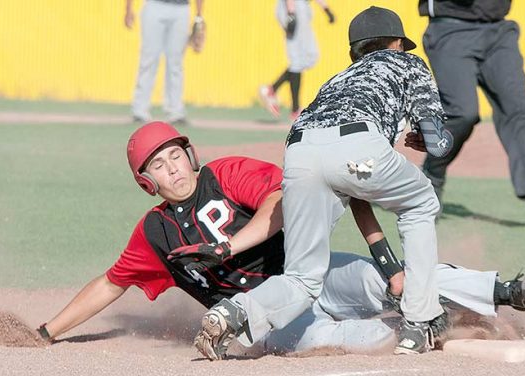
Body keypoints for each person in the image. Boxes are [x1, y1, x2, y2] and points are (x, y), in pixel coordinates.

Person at [36, 122, 525, 358]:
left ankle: (502, 292)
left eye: (175, 156)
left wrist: (229, 246)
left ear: (190, 156)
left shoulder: (226, 173)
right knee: (343, 341)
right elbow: (111, 283)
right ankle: (437, 330)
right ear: (146, 182)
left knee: (383, 280)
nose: (172, 169)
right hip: (265, 320)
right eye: (158, 166)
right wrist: (48, 331)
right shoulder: (154, 234)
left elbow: (278, 202)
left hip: (310, 275)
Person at [195, 6, 458, 358]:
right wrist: (429, 140)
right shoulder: (407, 63)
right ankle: (419, 322)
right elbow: (439, 142)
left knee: (302, 277)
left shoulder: (338, 79)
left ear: (354, 52)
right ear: (398, 44)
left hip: (299, 150)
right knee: (421, 202)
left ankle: (236, 311)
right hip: (358, 146)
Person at [417, 0, 525, 228]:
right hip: (449, 28)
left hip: (498, 30)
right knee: (462, 113)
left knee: (518, 108)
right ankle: (433, 173)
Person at [125, 0, 204, 126]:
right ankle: (140, 111)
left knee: (176, 62)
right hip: (154, 5)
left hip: (181, 7)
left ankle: (176, 112)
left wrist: (199, 16)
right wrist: (128, 9)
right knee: (148, 59)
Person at [258, 0, 335, 122]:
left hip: (300, 7)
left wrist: (326, 9)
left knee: (309, 58)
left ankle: (272, 90)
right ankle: (294, 109)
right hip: (293, 7)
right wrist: (291, 13)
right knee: (298, 60)